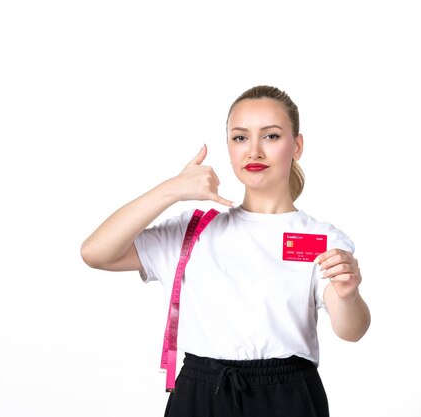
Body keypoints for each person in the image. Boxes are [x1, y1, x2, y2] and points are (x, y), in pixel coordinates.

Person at [80, 85, 370, 417]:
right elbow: (95, 252)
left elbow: (352, 330)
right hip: (200, 395)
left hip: (286, 398)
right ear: (229, 146)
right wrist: (171, 190)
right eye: (240, 138)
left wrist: (348, 295)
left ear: (297, 146)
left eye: (271, 136)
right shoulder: (194, 229)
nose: (254, 151)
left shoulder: (320, 238)